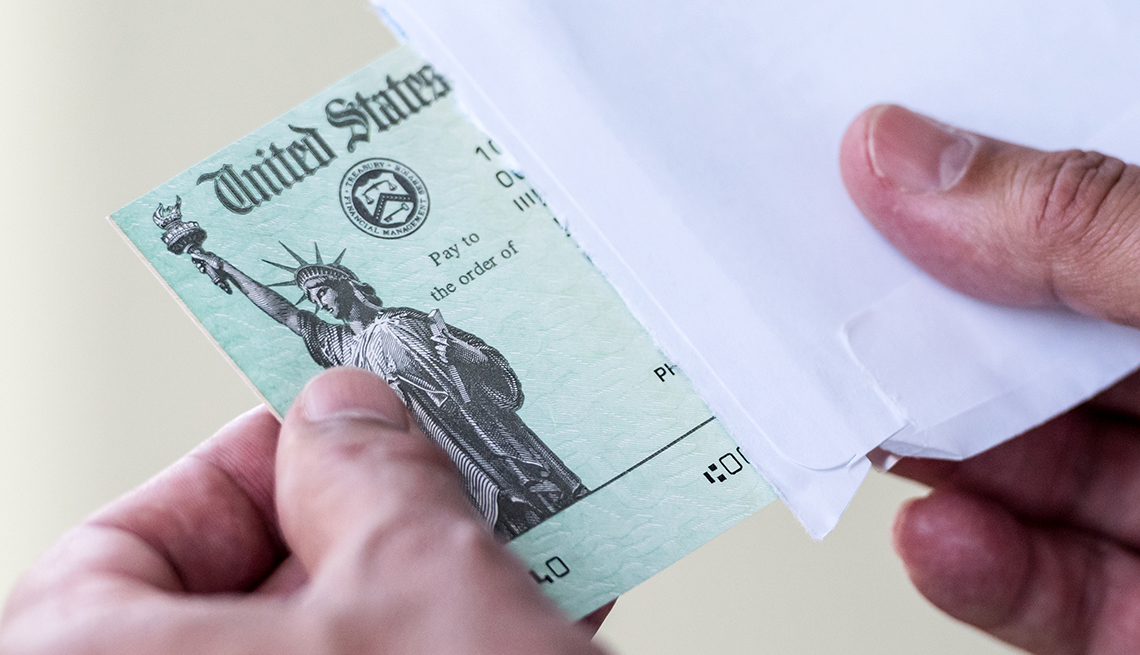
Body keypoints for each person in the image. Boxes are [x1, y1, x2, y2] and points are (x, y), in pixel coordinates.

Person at [3, 103, 1138, 653]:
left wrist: (469, 365)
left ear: (362, 287)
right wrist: (211, 260)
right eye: (330, 303)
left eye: (344, 293)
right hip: (471, 483)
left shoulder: (405, 315)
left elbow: (500, 376)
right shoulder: (342, 352)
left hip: (514, 452)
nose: (338, 305)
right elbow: (275, 307)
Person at [189, 245, 588, 540]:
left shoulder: (406, 319)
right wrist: (227, 268)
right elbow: (288, 316)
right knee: (495, 516)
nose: (319, 303)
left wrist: (458, 351)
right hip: (436, 442)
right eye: (314, 299)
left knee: (541, 494)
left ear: (345, 285)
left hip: (479, 423)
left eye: (322, 292)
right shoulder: (342, 346)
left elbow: (483, 361)